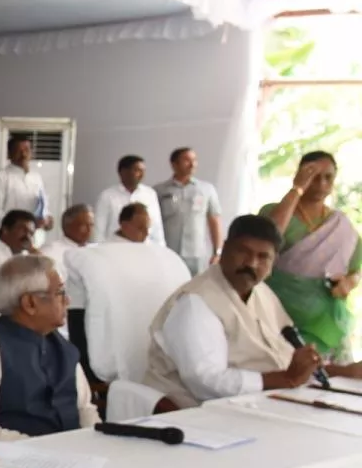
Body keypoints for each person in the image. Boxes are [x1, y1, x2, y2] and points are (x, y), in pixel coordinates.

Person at [143, 215, 362, 408]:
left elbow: (284, 360)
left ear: (274, 262)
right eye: (243, 252)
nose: (251, 263)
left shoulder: (262, 293)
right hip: (195, 414)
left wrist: (343, 372)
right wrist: (286, 379)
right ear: (225, 248)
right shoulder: (196, 302)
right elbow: (206, 382)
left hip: (256, 403)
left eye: (262, 257)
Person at [0, 255, 99, 441]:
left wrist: (94, 442)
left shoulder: (62, 346)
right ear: (30, 303)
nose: (67, 301)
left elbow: (85, 409)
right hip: (20, 463)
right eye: (60, 293)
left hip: (73, 456)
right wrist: (40, 448)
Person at [259, 151, 362, 360]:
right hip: (279, 313)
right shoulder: (273, 210)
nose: (321, 183)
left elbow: (355, 269)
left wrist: (350, 282)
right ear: (299, 175)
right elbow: (269, 237)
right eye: (313, 176)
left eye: (328, 177)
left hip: (324, 316)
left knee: (332, 381)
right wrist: (297, 189)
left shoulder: (340, 223)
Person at [155, 147, 222, 276]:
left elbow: (214, 221)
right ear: (174, 164)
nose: (192, 164)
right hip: (169, 251)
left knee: (196, 289)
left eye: (194, 160)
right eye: (186, 160)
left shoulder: (206, 189)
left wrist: (217, 252)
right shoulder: (160, 190)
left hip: (197, 253)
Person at [93, 155, 164, 245]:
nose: (142, 174)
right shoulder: (107, 196)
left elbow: (157, 227)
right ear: (123, 172)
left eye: (143, 171)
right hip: (115, 248)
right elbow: (98, 229)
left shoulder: (150, 194)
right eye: (137, 170)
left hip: (144, 249)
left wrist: (161, 249)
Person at [0, 135, 51, 235]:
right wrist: (19, 225)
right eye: (18, 151)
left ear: (31, 153)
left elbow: (43, 207)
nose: (23, 154)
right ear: (9, 154)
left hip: (33, 236)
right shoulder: (0, 177)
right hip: (7, 237)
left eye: (26, 150)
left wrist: (46, 220)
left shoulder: (36, 177)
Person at [40, 203, 93, 282]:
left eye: (91, 225)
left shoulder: (96, 250)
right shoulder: (50, 252)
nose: (89, 230)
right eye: (84, 226)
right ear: (66, 226)